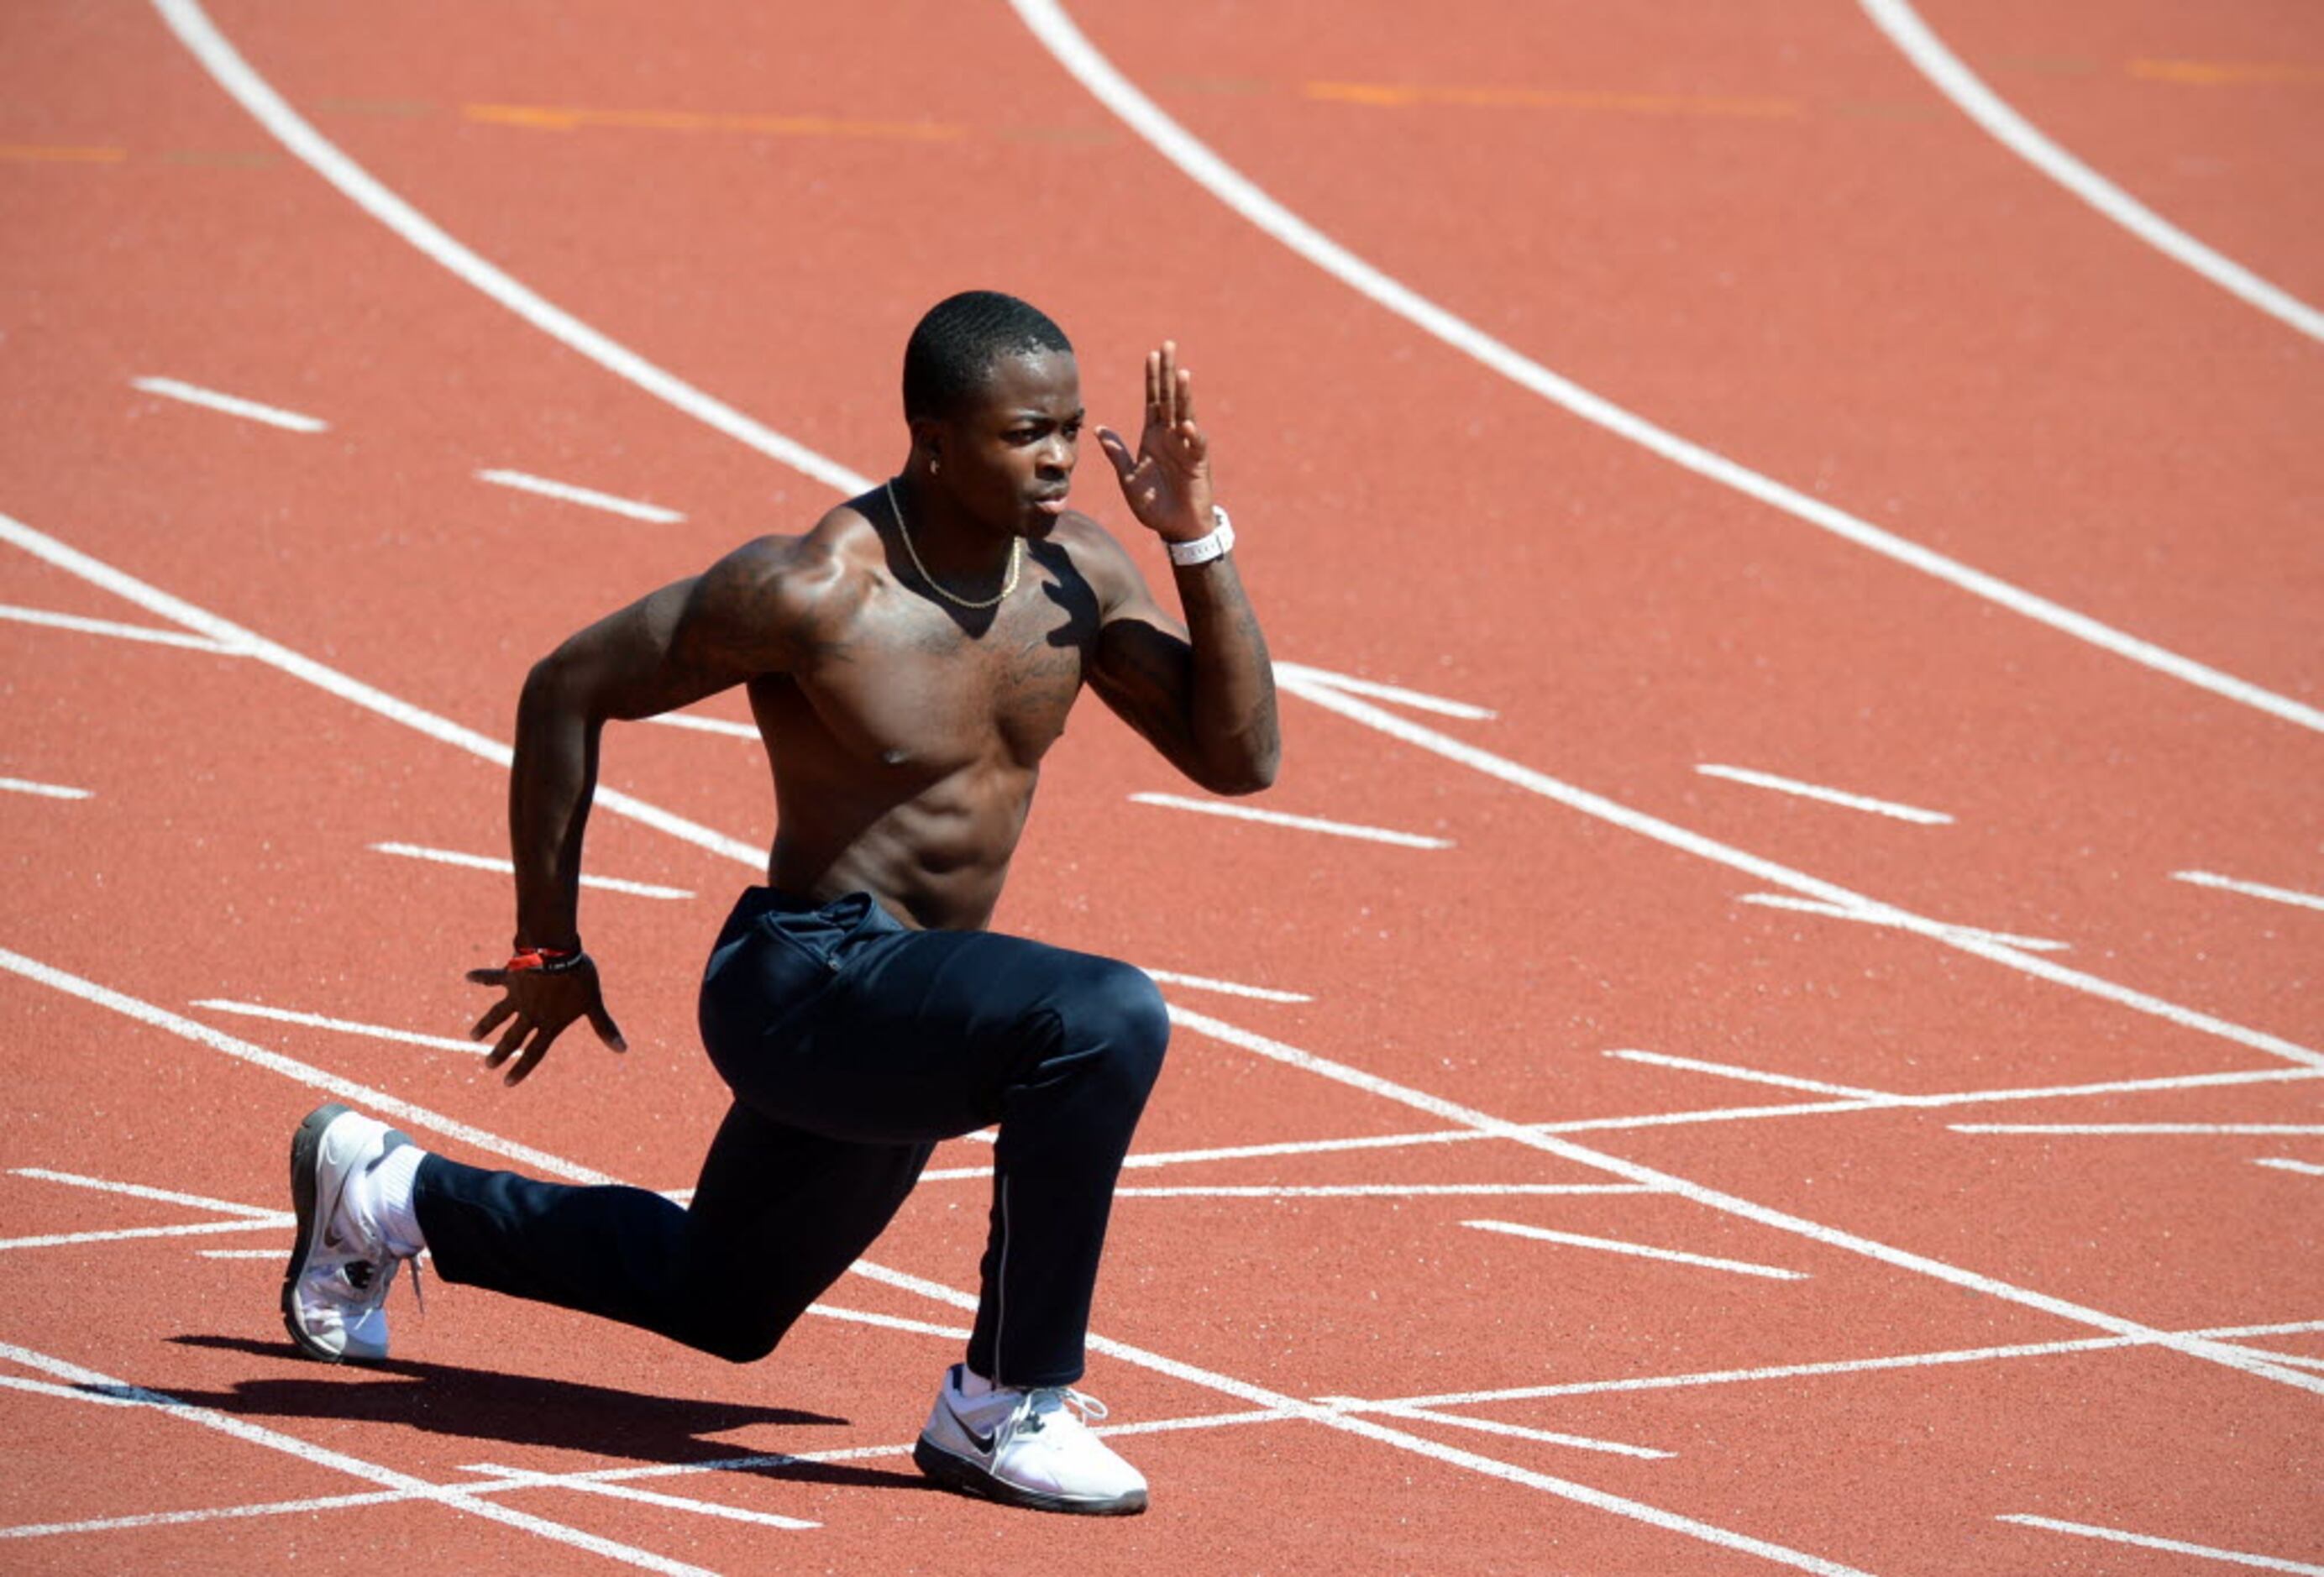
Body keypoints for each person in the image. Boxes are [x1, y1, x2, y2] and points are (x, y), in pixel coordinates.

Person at [279, 291, 1279, 1517]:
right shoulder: (815, 592)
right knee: (1103, 1015)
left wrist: (1197, 543)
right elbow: (566, 687)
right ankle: (1003, 1400)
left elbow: (1238, 758)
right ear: (935, 439)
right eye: (1028, 433)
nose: (1064, 457)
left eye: (1072, 427)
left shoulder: (1076, 574)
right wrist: (549, 938)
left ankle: (380, 1191)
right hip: (802, 980)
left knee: (724, 1302)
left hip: (917, 1003)